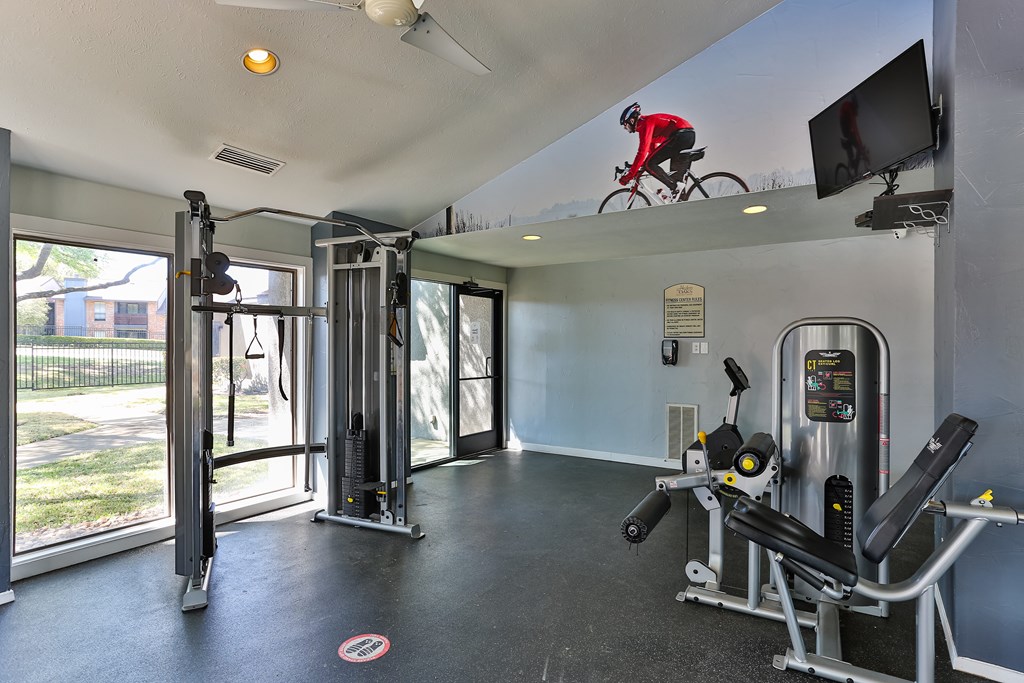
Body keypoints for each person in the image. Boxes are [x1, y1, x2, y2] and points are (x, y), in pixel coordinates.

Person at [618, 102, 695, 198]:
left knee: (649, 164)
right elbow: (652, 152)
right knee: (678, 189)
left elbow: (642, 153)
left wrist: (628, 176)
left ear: (632, 120)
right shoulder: (645, 125)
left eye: (625, 125)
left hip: (681, 135)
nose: (625, 129)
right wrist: (637, 167)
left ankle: (674, 187)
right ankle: (680, 198)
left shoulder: (645, 123)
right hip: (687, 134)